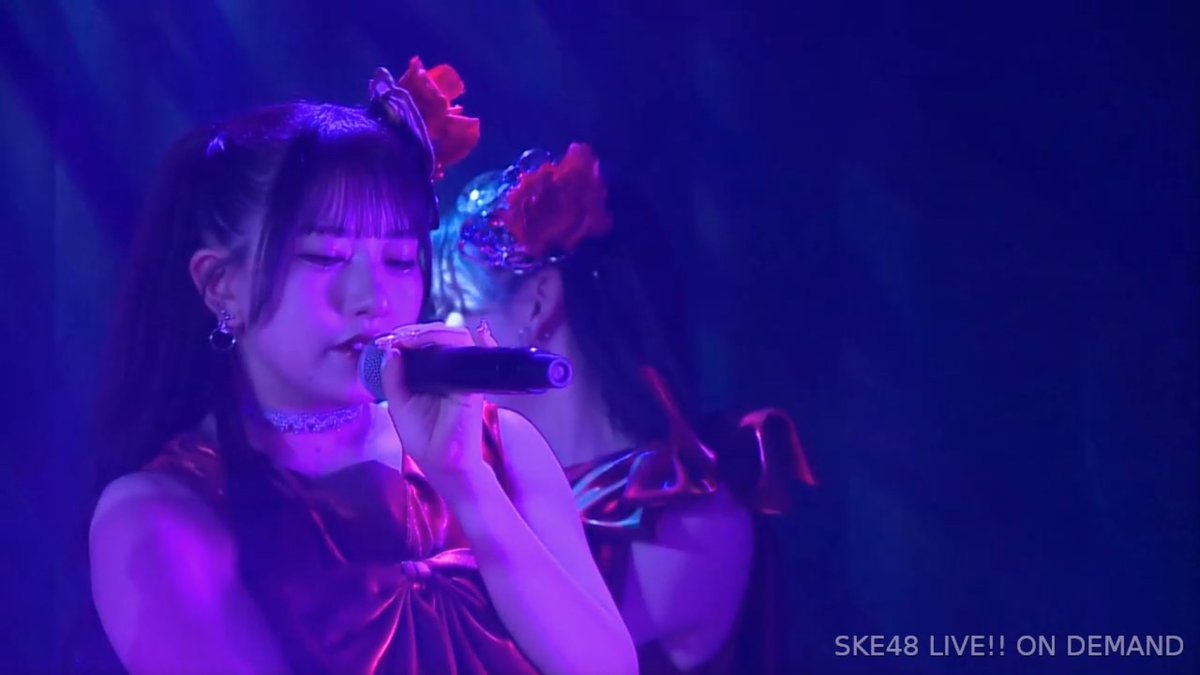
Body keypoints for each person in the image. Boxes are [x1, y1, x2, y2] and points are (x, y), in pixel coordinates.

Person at [86, 57, 636, 674]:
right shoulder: (162, 514)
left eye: (400, 260)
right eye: (325, 258)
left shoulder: (499, 449)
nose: (373, 299)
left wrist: (467, 484)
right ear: (221, 286)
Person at [430, 143, 817, 672]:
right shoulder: (506, 485)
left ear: (539, 301)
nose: (441, 333)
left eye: (454, 306)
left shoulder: (681, 516)